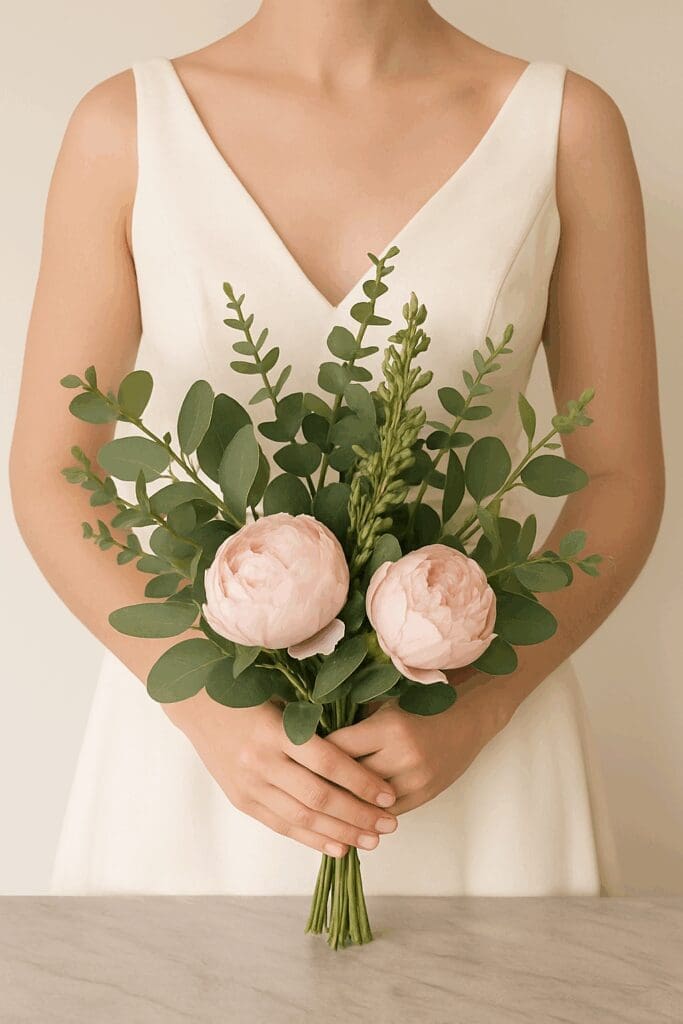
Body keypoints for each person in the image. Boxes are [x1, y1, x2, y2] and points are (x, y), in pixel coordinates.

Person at [10, 0, 664, 896]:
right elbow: (55, 469)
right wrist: (208, 712)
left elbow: (617, 474)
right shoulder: (123, 128)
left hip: (471, 758)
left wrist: (478, 708)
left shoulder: (563, 126)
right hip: (202, 763)